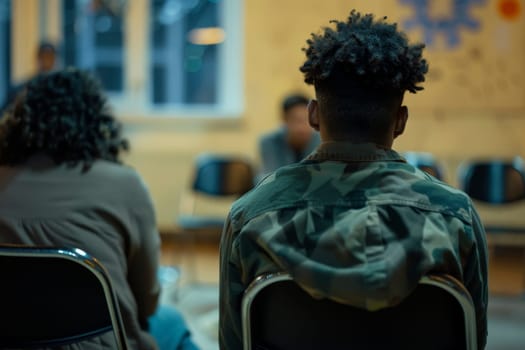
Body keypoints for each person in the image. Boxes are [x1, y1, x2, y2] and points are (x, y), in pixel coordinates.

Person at [220, 10, 488, 350]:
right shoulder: (456, 217)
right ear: (401, 120)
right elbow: (473, 339)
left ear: (314, 115)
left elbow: (233, 342)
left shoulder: (249, 217)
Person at [0, 68, 197, 350]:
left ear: (19, 124)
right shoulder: (124, 185)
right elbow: (147, 300)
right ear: (95, 120)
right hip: (104, 344)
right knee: (172, 321)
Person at [258, 93, 320, 176]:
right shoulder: (268, 142)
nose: (301, 127)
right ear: (284, 120)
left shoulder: (320, 140)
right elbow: (271, 177)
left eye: (307, 119)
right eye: (296, 120)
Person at [1, 41, 58, 114]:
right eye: (44, 57)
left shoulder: (58, 90)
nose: (46, 62)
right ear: (38, 58)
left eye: (49, 58)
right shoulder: (23, 88)